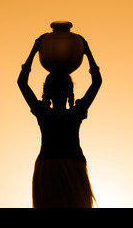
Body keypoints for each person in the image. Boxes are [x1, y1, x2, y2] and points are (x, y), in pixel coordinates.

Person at [17, 34, 102, 208]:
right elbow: (22, 83)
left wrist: (87, 52)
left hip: (74, 169)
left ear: (69, 91)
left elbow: (97, 83)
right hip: (48, 170)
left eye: (63, 85)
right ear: (46, 91)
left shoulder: (76, 112)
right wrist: (34, 50)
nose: (59, 89)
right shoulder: (42, 112)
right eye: (54, 86)